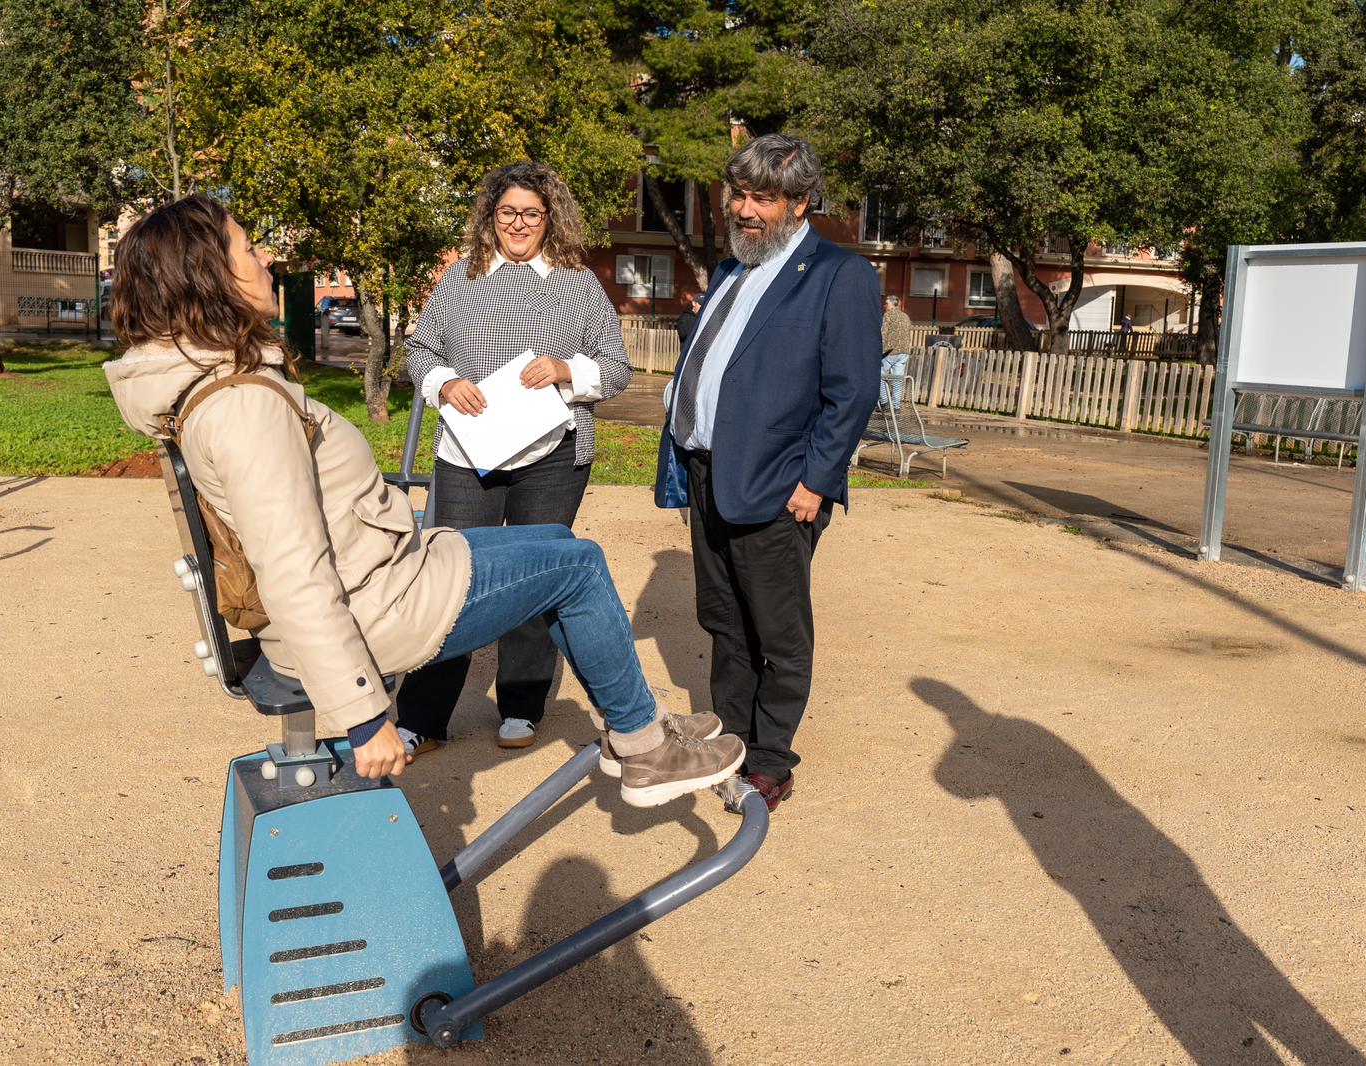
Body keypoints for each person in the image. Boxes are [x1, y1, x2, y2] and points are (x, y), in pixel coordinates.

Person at [104, 195, 742, 807]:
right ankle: (644, 747)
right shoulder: (244, 407)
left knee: (558, 543)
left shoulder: (221, 387)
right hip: (377, 604)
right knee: (578, 566)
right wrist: (362, 715)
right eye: (246, 249)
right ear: (208, 278)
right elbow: (292, 570)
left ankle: (636, 721)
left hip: (380, 573)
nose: (266, 256)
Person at [654, 134, 882, 811]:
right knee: (724, 621)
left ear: (801, 202)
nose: (745, 209)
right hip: (708, 474)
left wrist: (817, 481)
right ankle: (732, 741)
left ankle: (772, 761)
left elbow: (852, 393)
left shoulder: (839, 275)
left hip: (781, 486)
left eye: (763, 198)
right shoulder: (732, 270)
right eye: (740, 195)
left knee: (778, 633)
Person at [395, 162, 632, 756]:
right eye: (508, 212)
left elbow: (617, 368)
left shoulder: (578, 283)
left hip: (551, 456)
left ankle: (522, 707)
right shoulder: (462, 277)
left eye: (531, 213)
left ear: (551, 218)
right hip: (468, 455)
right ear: (490, 216)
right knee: (446, 578)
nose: (519, 224)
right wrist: (445, 383)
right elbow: (421, 349)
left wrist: (566, 370)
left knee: (537, 574)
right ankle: (422, 717)